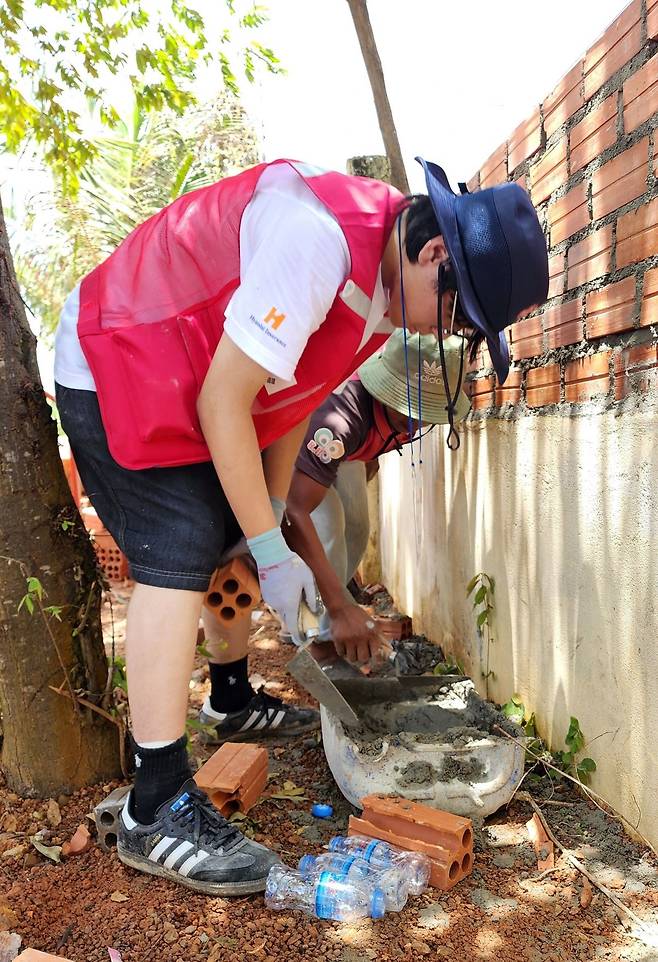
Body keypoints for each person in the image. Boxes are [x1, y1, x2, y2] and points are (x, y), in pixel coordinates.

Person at [53, 156, 548, 895]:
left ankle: (228, 698)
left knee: (229, 529)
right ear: (435, 253)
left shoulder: (382, 295)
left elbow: (285, 407)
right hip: (122, 356)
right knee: (182, 545)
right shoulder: (318, 244)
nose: (447, 335)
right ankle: (154, 805)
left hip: (201, 377)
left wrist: (270, 531)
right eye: (458, 316)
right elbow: (226, 401)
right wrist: (269, 549)